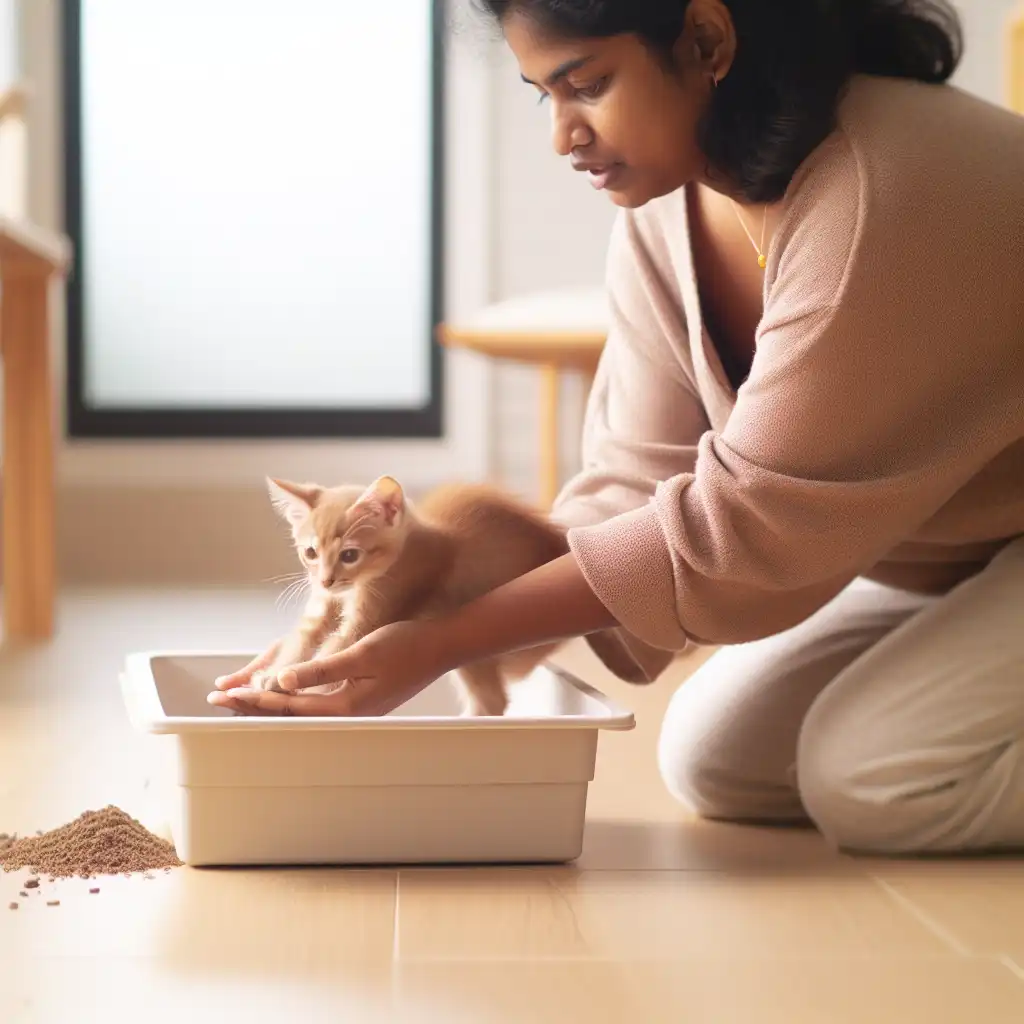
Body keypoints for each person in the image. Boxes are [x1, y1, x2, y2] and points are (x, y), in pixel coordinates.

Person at [211, 0, 1024, 855]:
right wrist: (397, 602)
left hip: (990, 544)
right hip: (968, 555)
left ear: (706, 40)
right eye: (542, 97)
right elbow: (632, 487)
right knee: (720, 760)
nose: (563, 136)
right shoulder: (665, 210)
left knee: (870, 779)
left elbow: (741, 525)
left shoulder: (879, 191)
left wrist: (445, 641)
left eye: (587, 85)